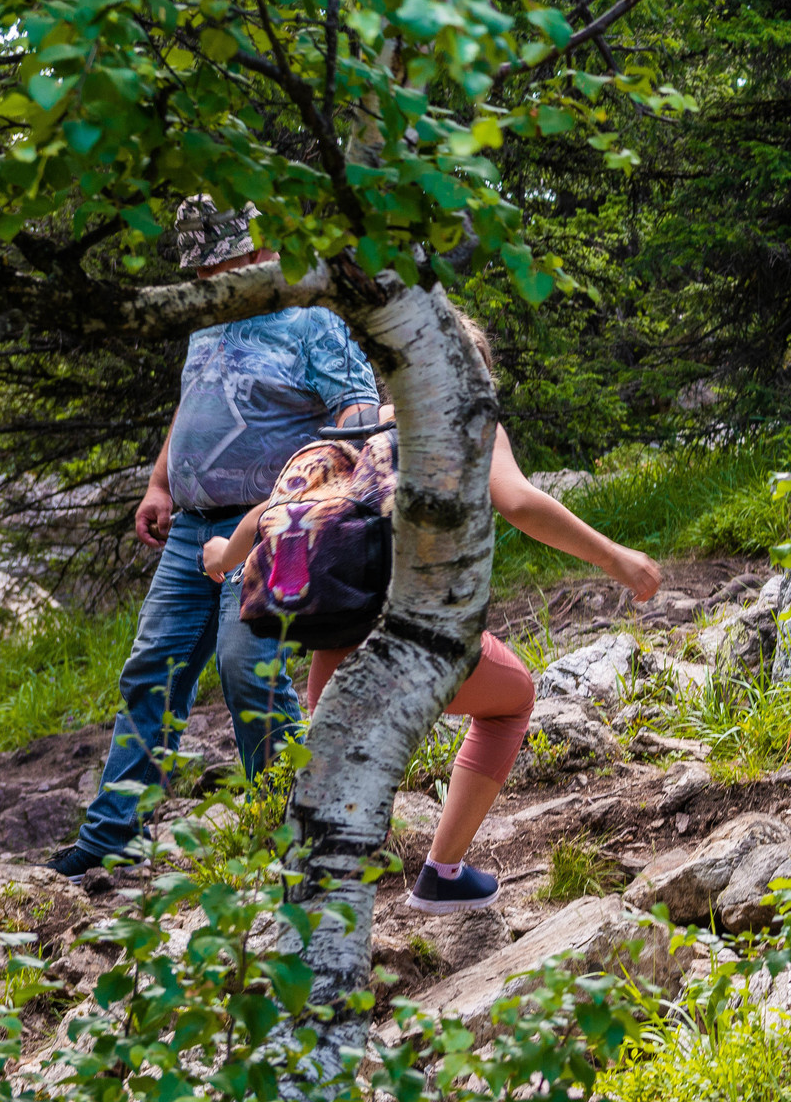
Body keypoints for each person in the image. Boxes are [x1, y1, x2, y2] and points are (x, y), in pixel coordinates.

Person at [202, 320, 663, 914]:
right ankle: (441, 875)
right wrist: (616, 558)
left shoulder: (362, 433)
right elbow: (519, 501)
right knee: (514, 698)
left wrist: (224, 555)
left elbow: (278, 508)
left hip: (338, 639)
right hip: (416, 639)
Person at [47, 200, 380, 879]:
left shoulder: (312, 316)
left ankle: (294, 823)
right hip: (190, 522)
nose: (204, 276)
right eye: (197, 266)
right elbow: (195, 397)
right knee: (152, 668)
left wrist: (312, 498)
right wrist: (160, 481)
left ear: (254, 248)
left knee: (245, 666)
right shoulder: (209, 318)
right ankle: (114, 832)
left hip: (269, 523)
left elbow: (358, 414)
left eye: (216, 263)